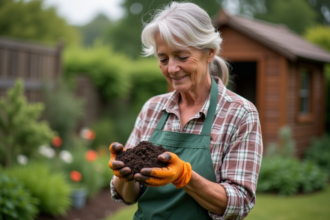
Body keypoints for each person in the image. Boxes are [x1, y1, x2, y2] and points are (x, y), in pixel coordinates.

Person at [108, 2, 263, 220]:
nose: (171, 68)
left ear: (209, 53)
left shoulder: (240, 114)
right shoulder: (152, 108)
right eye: (163, 59)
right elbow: (129, 196)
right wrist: (123, 176)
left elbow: (240, 203)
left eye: (181, 57)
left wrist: (184, 176)